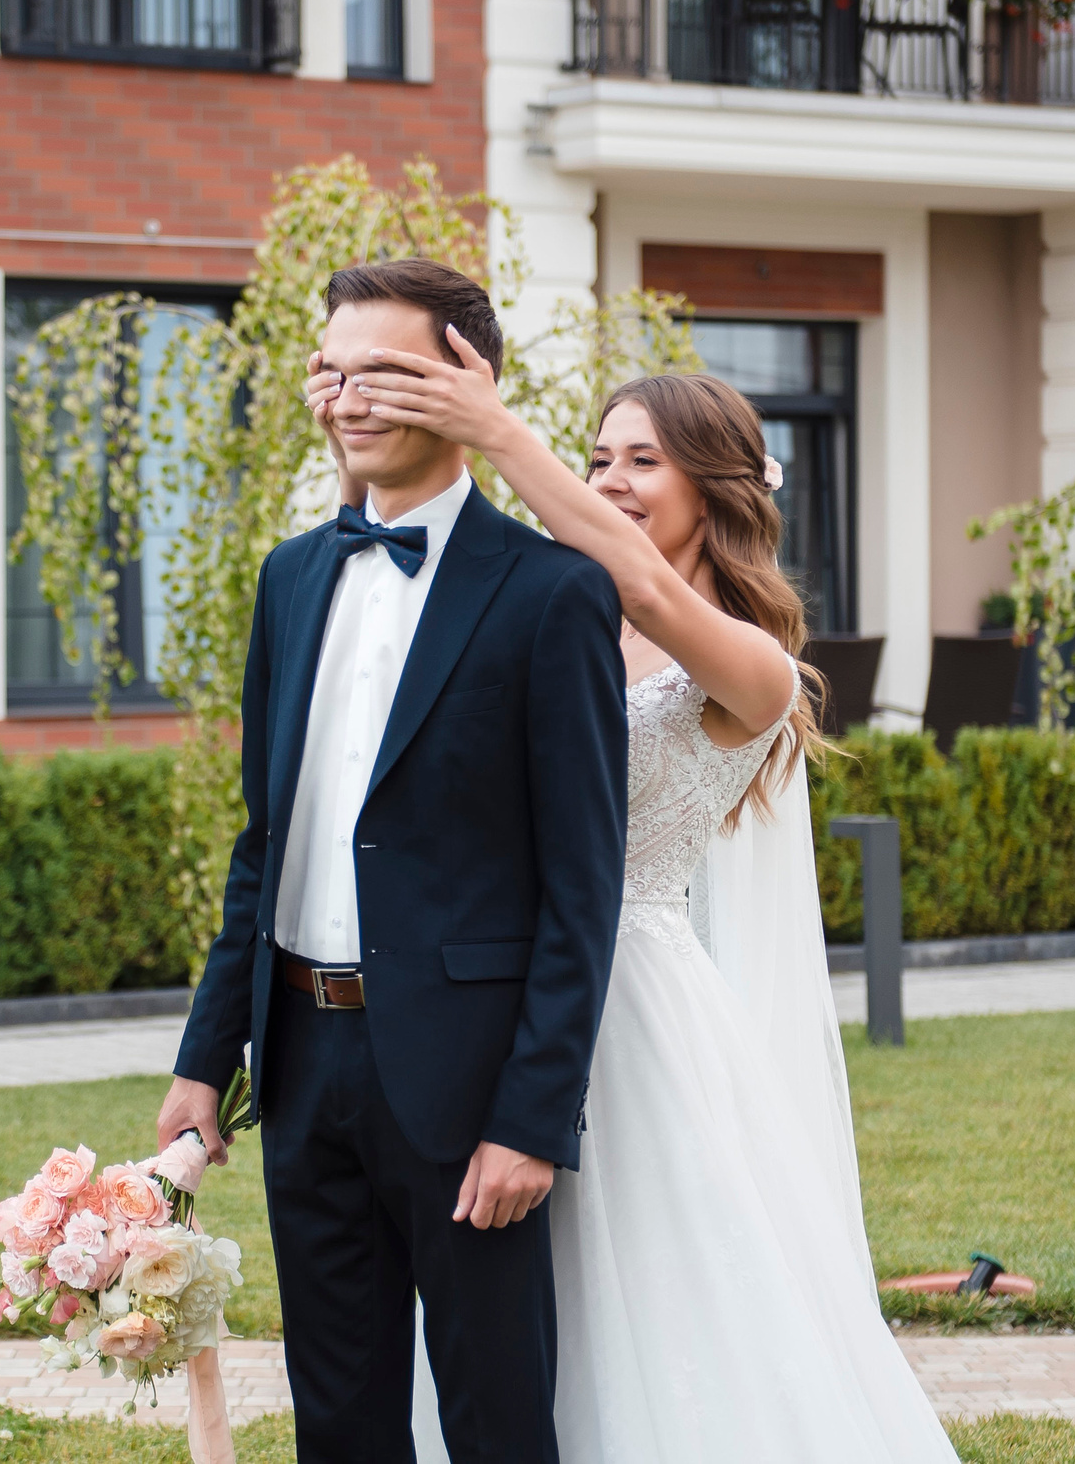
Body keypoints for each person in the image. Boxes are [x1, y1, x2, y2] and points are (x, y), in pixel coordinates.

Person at [312, 341, 962, 1463]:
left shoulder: (750, 666)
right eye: (597, 455)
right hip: (493, 998)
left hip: (628, 1014)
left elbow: (651, 588)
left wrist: (492, 429)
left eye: (642, 459)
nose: (609, 477)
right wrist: (362, 450)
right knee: (489, 1306)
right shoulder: (551, 612)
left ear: (715, 485)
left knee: (653, 1294)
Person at [158, 258, 629, 1464]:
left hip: (466, 1083)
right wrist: (207, 1057)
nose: (349, 397)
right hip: (301, 1063)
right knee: (340, 1416)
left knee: (494, 1416)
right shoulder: (291, 576)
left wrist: (534, 1118)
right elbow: (267, 839)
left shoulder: (552, 593)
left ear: (469, 382)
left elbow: (584, 887)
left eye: (387, 372)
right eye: (332, 369)